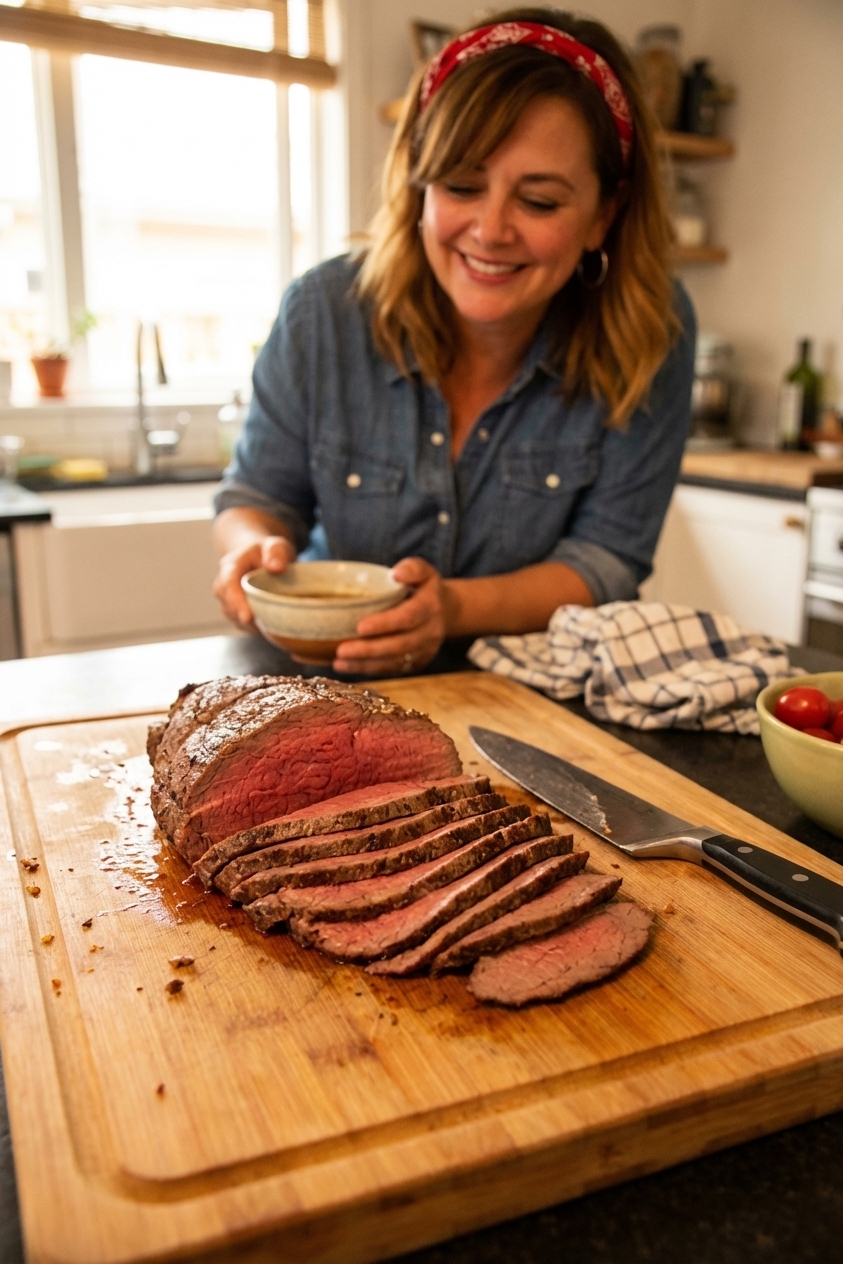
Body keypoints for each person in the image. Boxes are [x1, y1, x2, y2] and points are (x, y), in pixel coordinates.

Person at [213, 7, 695, 678]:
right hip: (324, 677)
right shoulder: (321, 313)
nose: (490, 230)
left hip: (530, 688)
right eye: (462, 186)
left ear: (602, 217)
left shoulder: (652, 332)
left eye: (540, 202)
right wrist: (251, 548)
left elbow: (607, 560)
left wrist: (454, 609)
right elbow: (257, 497)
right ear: (418, 184)